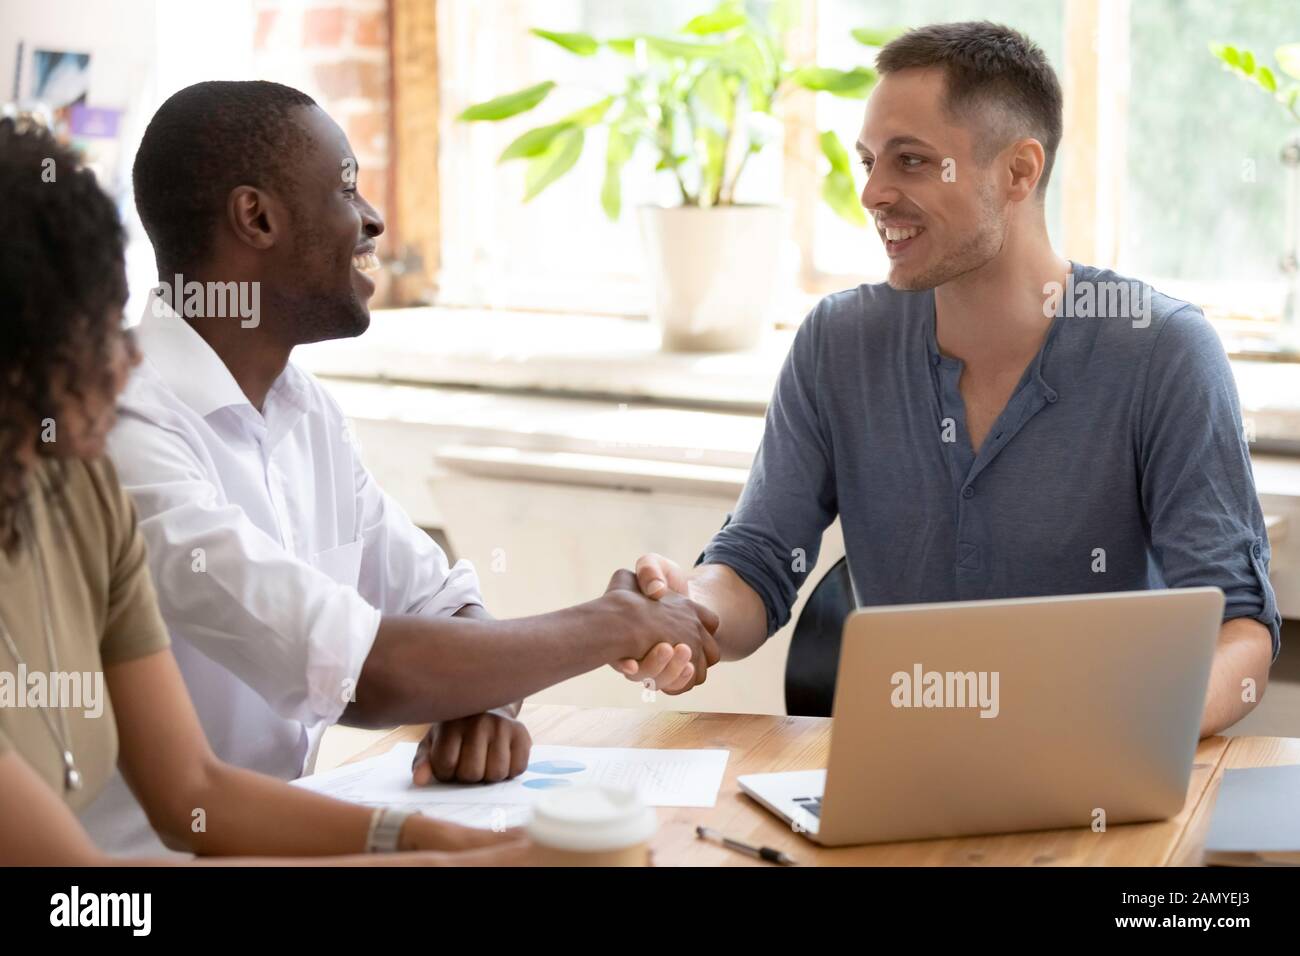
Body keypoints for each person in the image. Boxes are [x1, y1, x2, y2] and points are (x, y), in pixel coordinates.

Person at [80, 80, 720, 856]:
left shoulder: (301, 409)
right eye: (347, 187)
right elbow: (364, 670)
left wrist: (479, 701)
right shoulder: (121, 429)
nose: (374, 218)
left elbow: (443, 603)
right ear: (257, 218)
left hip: (290, 841)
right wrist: (617, 623)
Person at [615, 21, 1280, 738]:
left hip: (1100, 783)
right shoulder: (838, 344)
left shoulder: (1164, 353)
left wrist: (1129, 732)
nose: (872, 192)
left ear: (1019, 172)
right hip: (899, 769)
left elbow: (1240, 632)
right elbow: (759, 564)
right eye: (869, 160)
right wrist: (689, 608)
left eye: (911, 161)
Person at [0, 114, 541, 864]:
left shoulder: (84, 504)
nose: (123, 363)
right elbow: (86, 904)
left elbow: (194, 792)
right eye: (93, 333)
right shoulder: (129, 444)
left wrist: (434, 844)